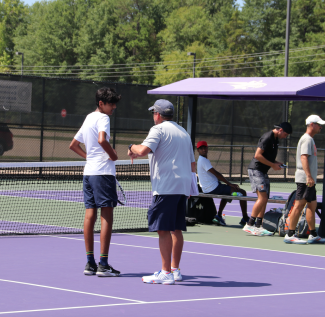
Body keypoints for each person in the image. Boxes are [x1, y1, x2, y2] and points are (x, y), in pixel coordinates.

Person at [128, 99, 195, 285]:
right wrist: (191, 186)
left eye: (153, 113)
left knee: (163, 229)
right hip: (182, 186)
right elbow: (192, 163)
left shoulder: (158, 129)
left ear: (157, 114)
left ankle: (165, 272)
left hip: (166, 186)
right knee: (176, 228)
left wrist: (130, 148)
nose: (153, 116)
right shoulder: (184, 133)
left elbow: (142, 150)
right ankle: (175, 270)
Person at [69, 87, 121, 277]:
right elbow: (101, 140)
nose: (114, 107)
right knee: (107, 216)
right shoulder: (103, 118)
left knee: (89, 215)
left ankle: (90, 263)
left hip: (89, 174)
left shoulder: (89, 117)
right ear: (101, 104)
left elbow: (73, 145)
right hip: (103, 174)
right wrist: (113, 154)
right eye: (111, 103)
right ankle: (104, 264)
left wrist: (89, 158)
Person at [284, 115, 325, 244]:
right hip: (305, 179)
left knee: (312, 205)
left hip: (310, 180)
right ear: (312, 124)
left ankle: (313, 234)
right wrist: (308, 176)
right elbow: (303, 158)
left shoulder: (311, 140)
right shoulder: (307, 139)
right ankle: (290, 234)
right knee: (299, 205)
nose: (320, 127)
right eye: (319, 124)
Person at [244, 122, 292, 236]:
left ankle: (258, 226)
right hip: (256, 170)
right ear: (280, 130)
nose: (285, 137)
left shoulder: (276, 140)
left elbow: (267, 156)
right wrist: (272, 165)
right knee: (262, 197)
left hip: (263, 171)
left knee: (265, 198)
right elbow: (258, 155)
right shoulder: (267, 137)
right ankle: (249, 225)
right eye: (285, 134)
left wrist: (276, 163)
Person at [196, 140, 248, 226]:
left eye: (205, 147)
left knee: (226, 193)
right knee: (242, 192)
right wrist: (229, 183)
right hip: (212, 188)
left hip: (211, 187)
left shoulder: (202, 160)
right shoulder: (203, 160)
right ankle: (245, 218)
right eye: (201, 148)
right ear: (198, 150)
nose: (203, 149)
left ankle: (219, 215)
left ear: (207, 148)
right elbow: (216, 174)